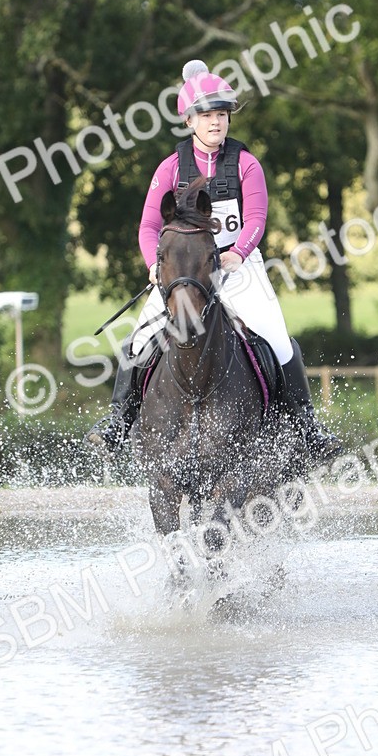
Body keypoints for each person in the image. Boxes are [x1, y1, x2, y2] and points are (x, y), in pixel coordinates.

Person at [86, 60, 342, 463]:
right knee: (137, 340)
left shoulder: (245, 164)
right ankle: (118, 421)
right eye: (207, 115)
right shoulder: (171, 167)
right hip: (186, 271)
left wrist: (237, 253)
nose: (216, 122)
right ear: (189, 120)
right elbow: (149, 226)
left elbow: (256, 219)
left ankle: (308, 428)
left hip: (238, 267)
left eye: (221, 114)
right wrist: (153, 264)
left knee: (278, 340)